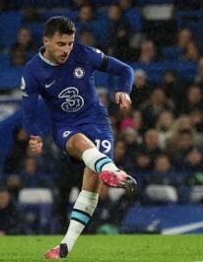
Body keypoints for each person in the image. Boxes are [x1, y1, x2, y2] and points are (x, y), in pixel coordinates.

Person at [21, 16, 135, 259]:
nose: (67, 49)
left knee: (91, 187)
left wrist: (124, 90)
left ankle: (65, 246)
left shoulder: (84, 54)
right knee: (81, 143)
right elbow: (29, 110)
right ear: (46, 41)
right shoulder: (33, 71)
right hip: (65, 126)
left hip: (97, 121)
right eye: (61, 44)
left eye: (70, 43)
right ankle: (113, 170)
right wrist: (35, 135)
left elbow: (125, 69)